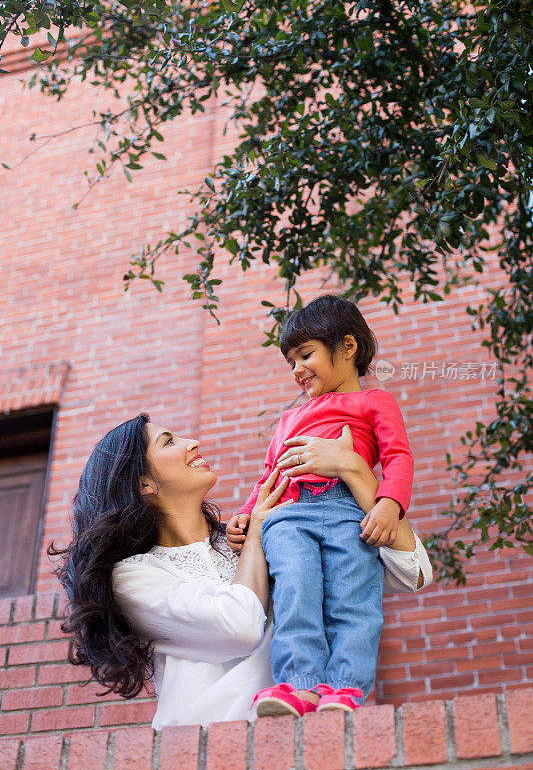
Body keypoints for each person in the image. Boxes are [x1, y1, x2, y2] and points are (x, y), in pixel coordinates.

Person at [50, 410, 430, 729]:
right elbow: (240, 625)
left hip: (302, 740)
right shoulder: (133, 577)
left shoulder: (254, 536)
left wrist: (357, 473)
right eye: (169, 442)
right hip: (204, 748)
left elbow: (409, 573)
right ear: (144, 483)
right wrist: (258, 537)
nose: (192, 443)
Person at [226, 294, 431, 717]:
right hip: (287, 516)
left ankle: (345, 687)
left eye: (306, 355)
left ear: (348, 347)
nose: (297, 369)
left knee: (352, 598)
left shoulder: (376, 402)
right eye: (290, 362)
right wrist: (247, 512)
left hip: (348, 514)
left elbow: (398, 457)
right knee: (295, 594)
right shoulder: (287, 419)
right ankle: (299, 685)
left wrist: (390, 503)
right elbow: (270, 471)